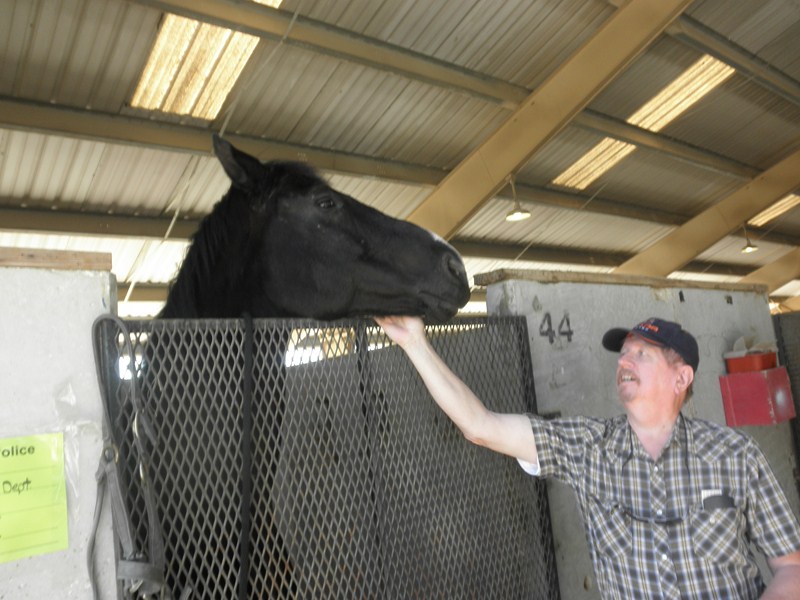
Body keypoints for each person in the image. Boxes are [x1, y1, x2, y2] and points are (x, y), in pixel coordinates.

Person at [375, 315, 800, 599]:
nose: (624, 361)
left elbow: (790, 567)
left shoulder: (736, 455)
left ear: (681, 377)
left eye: (642, 353)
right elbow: (481, 426)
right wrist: (415, 343)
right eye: (623, 353)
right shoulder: (588, 448)